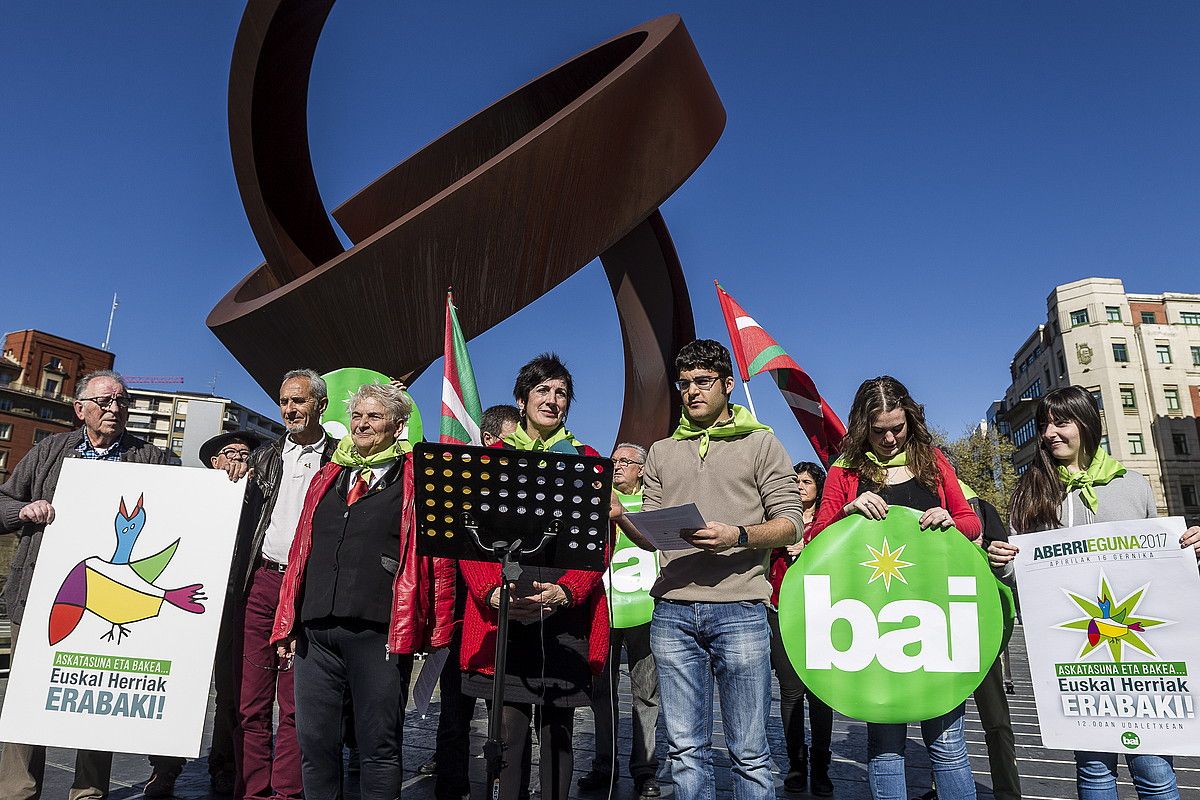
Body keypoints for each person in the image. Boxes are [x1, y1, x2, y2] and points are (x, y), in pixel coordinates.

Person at [0, 370, 246, 800]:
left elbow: (191, 502)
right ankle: (17, 791)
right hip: (39, 597)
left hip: (113, 605)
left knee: (101, 695)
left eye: (122, 401)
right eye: (105, 401)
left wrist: (220, 471)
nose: (115, 408)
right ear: (80, 409)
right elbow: (3, 501)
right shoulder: (47, 453)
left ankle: (89, 792)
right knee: (28, 700)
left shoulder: (151, 457)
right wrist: (24, 510)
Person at [987, 386, 1200, 800]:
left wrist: (1189, 548)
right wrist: (1004, 562)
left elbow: (1161, 562)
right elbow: (1023, 572)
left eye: (1060, 422)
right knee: (1094, 770)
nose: (1049, 433)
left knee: (1154, 771)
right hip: (1076, 655)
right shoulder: (1030, 492)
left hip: (1143, 654)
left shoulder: (1133, 485)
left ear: (1086, 424)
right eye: (1044, 424)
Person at [615, 339, 804, 800]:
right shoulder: (660, 451)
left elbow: (791, 523)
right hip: (672, 613)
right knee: (683, 749)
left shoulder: (762, 442)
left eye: (702, 382)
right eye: (685, 384)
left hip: (740, 607)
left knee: (750, 752)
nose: (692, 391)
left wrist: (737, 535)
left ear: (727, 384)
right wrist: (622, 516)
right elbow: (654, 537)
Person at [271, 382, 455, 798]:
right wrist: (287, 621)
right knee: (315, 745)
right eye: (357, 415)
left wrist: (435, 628)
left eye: (374, 416)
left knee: (378, 747)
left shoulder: (416, 477)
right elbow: (302, 548)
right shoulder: (328, 474)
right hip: (315, 633)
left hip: (378, 633)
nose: (362, 424)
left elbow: (438, 561)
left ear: (398, 424)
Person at [806, 376, 981, 800]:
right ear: (861, 425)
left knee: (948, 744)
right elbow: (814, 541)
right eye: (878, 429)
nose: (888, 438)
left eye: (897, 428)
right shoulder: (844, 471)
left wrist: (951, 520)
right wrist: (846, 510)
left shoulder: (934, 461)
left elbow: (972, 521)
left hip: (935, 622)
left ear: (911, 420)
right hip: (873, 627)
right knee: (885, 749)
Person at [458, 354, 611, 800]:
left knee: (560, 734)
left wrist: (567, 590)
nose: (553, 399)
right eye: (543, 390)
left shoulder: (586, 460)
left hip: (565, 615)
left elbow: (599, 542)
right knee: (508, 734)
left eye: (561, 392)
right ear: (522, 400)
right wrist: (491, 590)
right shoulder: (492, 459)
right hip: (505, 611)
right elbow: (468, 538)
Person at [233, 369, 336, 800]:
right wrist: (227, 462)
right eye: (284, 401)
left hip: (310, 589)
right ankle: (254, 792)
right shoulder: (265, 457)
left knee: (296, 705)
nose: (290, 409)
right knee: (250, 703)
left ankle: (288, 793)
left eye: (299, 401)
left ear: (320, 406)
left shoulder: (342, 459)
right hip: (262, 583)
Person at [423, 403, 526, 800]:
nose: (520, 445)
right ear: (488, 440)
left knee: (507, 717)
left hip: (510, 615)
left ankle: (503, 785)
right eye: (511, 437)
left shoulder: (524, 487)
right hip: (463, 615)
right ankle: (451, 785)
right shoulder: (460, 487)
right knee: (455, 710)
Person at [578, 442, 661, 799]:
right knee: (601, 695)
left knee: (647, 695)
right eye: (613, 462)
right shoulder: (595, 500)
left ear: (642, 469)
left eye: (626, 462)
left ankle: (644, 771)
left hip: (647, 612)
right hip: (604, 611)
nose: (617, 467)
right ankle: (604, 766)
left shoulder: (655, 501)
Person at [767, 461, 834, 796]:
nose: (799, 486)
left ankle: (822, 767)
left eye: (806, 482)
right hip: (782, 611)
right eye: (794, 481)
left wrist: (811, 548)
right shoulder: (778, 518)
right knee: (790, 691)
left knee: (821, 692)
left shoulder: (829, 523)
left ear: (818, 488)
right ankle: (796, 764)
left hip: (824, 614)